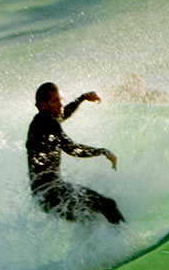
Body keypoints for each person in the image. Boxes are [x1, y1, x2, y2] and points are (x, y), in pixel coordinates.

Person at [26, 82, 123, 224]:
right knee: (108, 205)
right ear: (43, 104)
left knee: (90, 220)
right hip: (54, 193)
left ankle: (99, 245)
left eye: (61, 100)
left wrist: (82, 98)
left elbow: (63, 113)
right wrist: (103, 151)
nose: (60, 105)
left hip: (43, 197)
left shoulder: (40, 120)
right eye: (55, 101)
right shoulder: (48, 124)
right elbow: (72, 149)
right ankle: (129, 239)